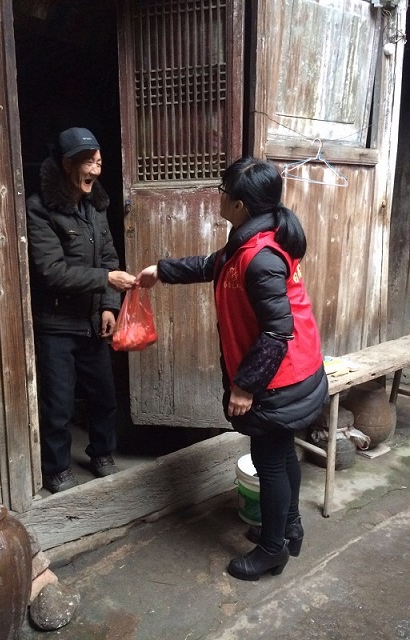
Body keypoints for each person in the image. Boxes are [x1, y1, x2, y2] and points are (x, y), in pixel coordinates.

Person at [136, 156, 328, 581]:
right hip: (296, 369)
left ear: (239, 204)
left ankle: (272, 550)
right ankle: (288, 527)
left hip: (280, 378)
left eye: (223, 192)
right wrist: (160, 271)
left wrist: (245, 387)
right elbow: (213, 265)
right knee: (281, 453)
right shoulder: (252, 239)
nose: (218, 197)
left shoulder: (260, 258)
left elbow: (277, 332)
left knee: (270, 460)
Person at [26, 127, 136, 493]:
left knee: (104, 397)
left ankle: (102, 454)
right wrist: (106, 280)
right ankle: (56, 469)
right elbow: (51, 271)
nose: (95, 170)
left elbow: (108, 257)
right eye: (88, 162)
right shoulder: (40, 208)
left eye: (99, 162)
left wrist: (108, 306)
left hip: (92, 322)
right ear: (66, 164)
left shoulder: (96, 207)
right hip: (56, 324)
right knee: (58, 405)